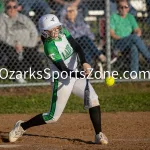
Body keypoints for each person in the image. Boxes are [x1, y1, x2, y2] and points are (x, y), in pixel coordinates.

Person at [8, 14, 108, 145]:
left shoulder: (63, 31)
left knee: (93, 100)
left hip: (75, 74)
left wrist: (84, 63)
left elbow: (77, 47)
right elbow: (64, 70)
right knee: (52, 117)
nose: (55, 31)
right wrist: (82, 74)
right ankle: (22, 126)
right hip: (62, 79)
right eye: (51, 29)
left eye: (56, 28)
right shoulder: (49, 47)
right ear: (44, 32)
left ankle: (98, 134)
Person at [0, 0, 39, 83]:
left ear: (17, 8)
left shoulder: (24, 18)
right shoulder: (1, 19)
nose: (12, 9)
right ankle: (18, 75)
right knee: (10, 53)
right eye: (9, 7)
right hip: (10, 46)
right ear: (5, 8)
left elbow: (34, 33)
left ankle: (43, 74)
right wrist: (15, 44)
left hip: (27, 45)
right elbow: (3, 36)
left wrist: (26, 45)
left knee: (35, 55)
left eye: (14, 7)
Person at [110, 0, 150, 77]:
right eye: (121, 7)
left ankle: (133, 76)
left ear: (128, 8)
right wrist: (125, 39)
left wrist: (137, 34)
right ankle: (148, 57)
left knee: (134, 47)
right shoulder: (113, 17)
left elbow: (137, 30)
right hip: (118, 43)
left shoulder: (130, 17)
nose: (123, 9)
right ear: (118, 8)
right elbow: (111, 33)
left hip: (130, 42)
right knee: (134, 38)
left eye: (126, 7)